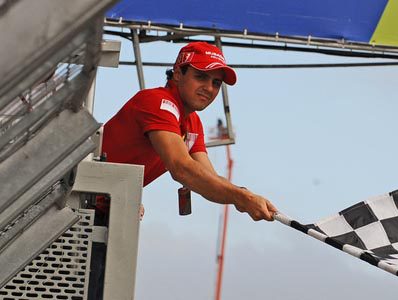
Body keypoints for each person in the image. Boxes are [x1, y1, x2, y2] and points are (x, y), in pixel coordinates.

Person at [88, 42, 278, 299]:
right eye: (201, 76)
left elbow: (207, 178)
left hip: (102, 214)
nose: (209, 88)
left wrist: (245, 195)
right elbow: (182, 168)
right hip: (75, 209)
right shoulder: (157, 102)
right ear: (178, 74)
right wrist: (242, 198)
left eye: (216, 83)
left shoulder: (191, 122)